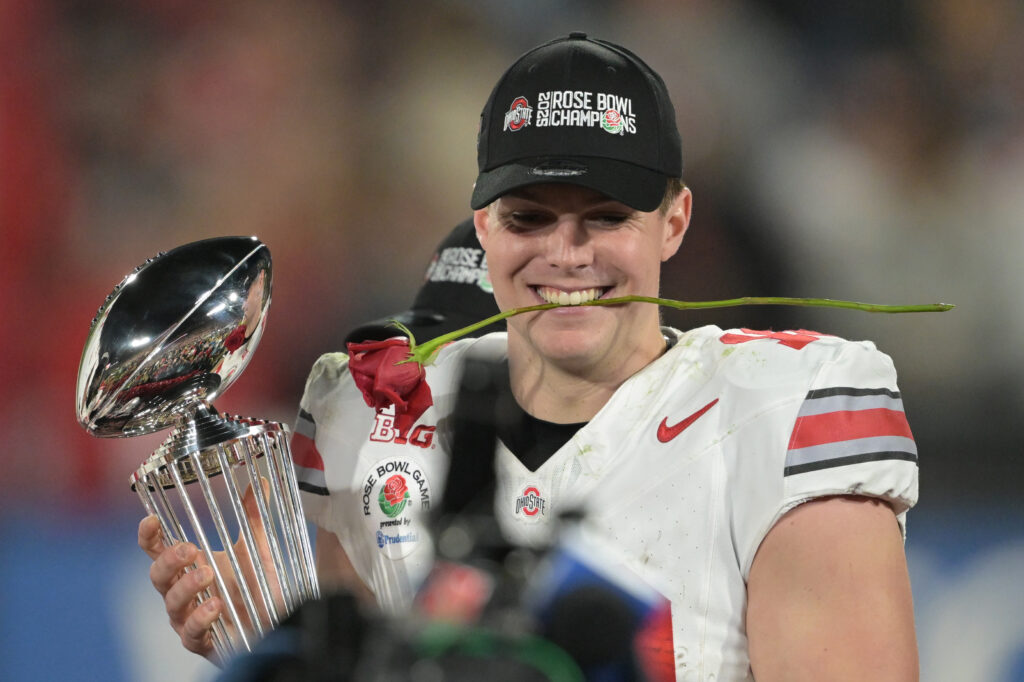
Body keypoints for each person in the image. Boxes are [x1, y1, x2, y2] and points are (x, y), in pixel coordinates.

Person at [141, 33, 920, 681]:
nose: (566, 253)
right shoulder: (371, 410)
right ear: (482, 224)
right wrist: (280, 634)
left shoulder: (782, 414)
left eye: (607, 216)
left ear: (675, 221)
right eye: (529, 217)